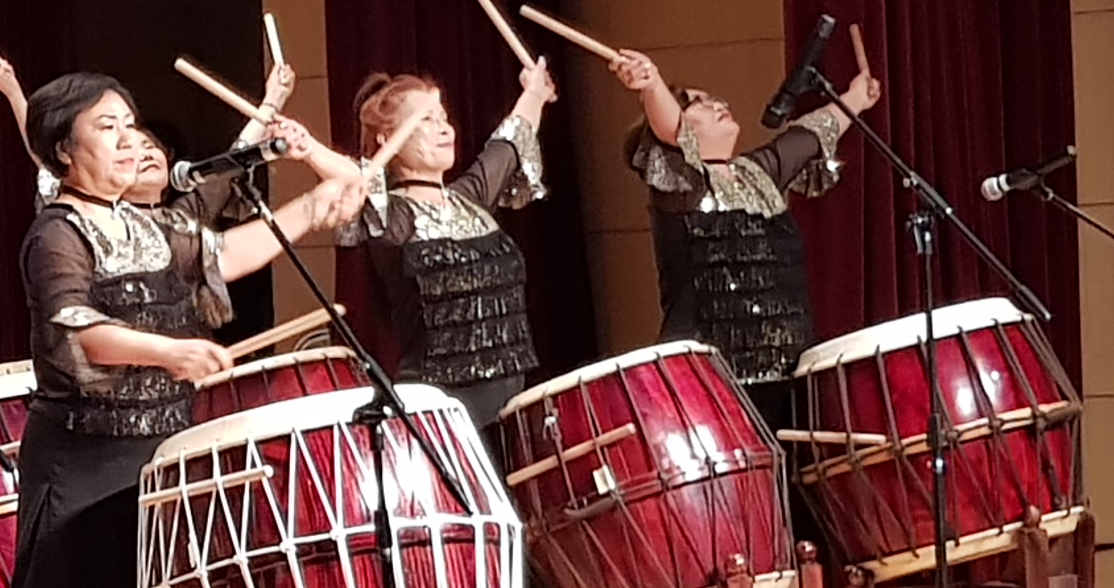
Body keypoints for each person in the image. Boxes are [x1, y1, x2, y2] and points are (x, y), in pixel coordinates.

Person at [4, 66, 369, 588]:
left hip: (158, 447)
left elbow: (218, 256)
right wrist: (166, 352)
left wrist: (309, 206)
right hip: (82, 456)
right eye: (108, 126)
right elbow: (77, 328)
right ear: (63, 152)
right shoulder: (57, 232)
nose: (129, 137)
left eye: (131, 122)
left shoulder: (145, 223)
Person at [607, 47, 878, 434]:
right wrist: (651, 86)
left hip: (790, 377)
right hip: (715, 387)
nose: (718, 104)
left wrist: (855, 97)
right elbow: (671, 136)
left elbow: (811, 134)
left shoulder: (758, 174)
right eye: (697, 103)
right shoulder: (681, 186)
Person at [337, 62, 560, 428]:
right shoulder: (390, 215)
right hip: (441, 413)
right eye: (425, 120)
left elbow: (510, 142)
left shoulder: (470, 197)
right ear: (386, 138)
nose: (443, 129)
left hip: (512, 403)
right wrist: (304, 146)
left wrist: (534, 91)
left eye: (443, 118)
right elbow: (350, 178)